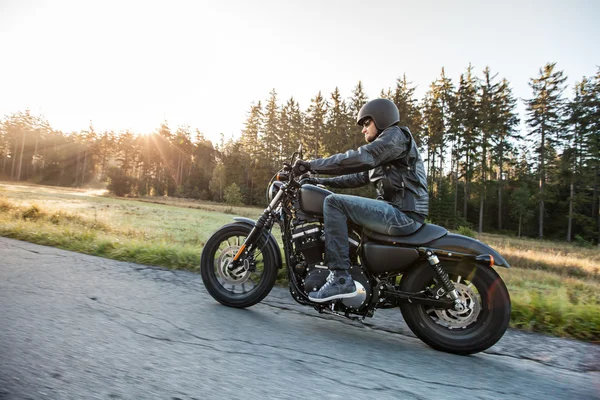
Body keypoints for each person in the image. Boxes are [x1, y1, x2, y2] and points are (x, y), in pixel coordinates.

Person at [292, 98, 429, 303]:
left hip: (403, 213)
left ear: (381, 119)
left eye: (366, 124)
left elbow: (359, 158)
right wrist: (316, 180)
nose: (363, 130)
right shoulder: (385, 150)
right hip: (396, 210)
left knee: (333, 203)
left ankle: (340, 278)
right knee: (336, 202)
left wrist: (312, 165)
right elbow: (357, 178)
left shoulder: (394, 137)